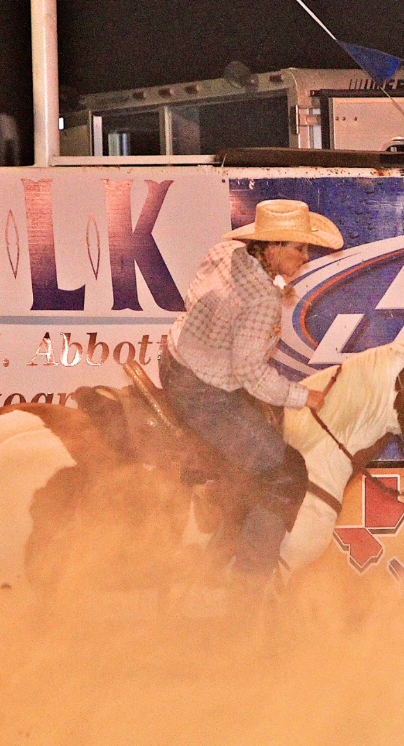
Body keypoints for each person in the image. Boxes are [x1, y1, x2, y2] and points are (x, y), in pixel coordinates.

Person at [159, 198, 344, 599]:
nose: (305, 256)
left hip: (174, 359)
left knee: (255, 450)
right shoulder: (261, 300)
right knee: (284, 473)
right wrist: (303, 397)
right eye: (299, 248)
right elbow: (250, 374)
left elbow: (195, 297)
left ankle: (220, 551)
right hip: (202, 391)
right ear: (273, 247)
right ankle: (248, 587)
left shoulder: (225, 252)